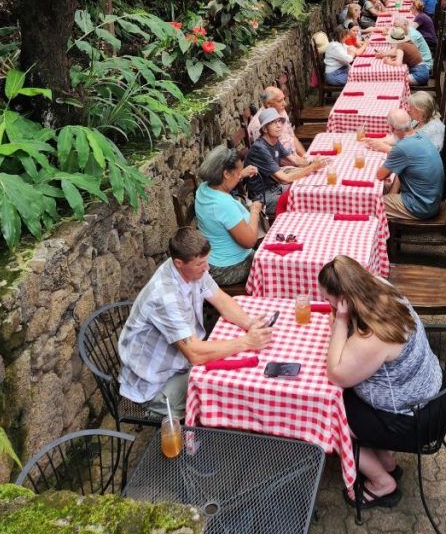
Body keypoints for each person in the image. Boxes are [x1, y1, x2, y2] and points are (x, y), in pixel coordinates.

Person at [319, 255, 446, 510]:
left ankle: (381, 482)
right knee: (346, 397)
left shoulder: (373, 334)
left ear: (345, 299)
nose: (326, 305)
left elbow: (336, 373)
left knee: (330, 412)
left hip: (414, 420)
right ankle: (386, 461)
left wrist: (342, 321)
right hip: (433, 390)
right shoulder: (381, 287)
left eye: (327, 300)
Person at [118, 228, 273, 418]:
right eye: (201, 264)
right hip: (154, 387)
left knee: (238, 372)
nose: (207, 268)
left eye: (206, 261)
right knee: (227, 392)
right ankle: (210, 441)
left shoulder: (192, 269)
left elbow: (221, 300)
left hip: (179, 364)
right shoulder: (166, 296)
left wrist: (250, 324)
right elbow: (195, 354)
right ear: (179, 263)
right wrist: (246, 342)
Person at [194, 146, 264, 285]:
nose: (239, 176)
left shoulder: (204, 188)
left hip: (212, 258)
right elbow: (250, 242)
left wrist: (241, 174)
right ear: (226, 174)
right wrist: (255, 210)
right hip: (227, 268)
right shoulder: (223, 204)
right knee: (270, 266)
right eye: (238, 172)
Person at [244, 107, 326, 214]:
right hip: (262, 197)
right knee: (306, 198)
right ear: (264, 129)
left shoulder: (274, 140)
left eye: (279, 121)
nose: (279, 125)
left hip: (276, 187)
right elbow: (285, 179)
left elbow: (295, 161)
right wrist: (312, 167)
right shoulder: (260, 148)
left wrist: (312, 162)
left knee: (312, 187)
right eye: (273, 123)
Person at [375, 108, 445, 220]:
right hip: (432, 199)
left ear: (393, 129)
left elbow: (380, 175)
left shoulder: (402, 148)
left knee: (371, 202)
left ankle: (378, 234)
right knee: (382, 188)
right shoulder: (421, 135)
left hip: (421, 206)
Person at [247, 86, 306, 157]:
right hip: (280, 164)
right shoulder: (259, 124)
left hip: (293, 157)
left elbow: (292, 137)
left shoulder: (281, 111)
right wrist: (303, 164)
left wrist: (305, 157)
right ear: (268, 104)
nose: (285, 104)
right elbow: (272, 157)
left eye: (284, 99)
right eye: (280, 101)